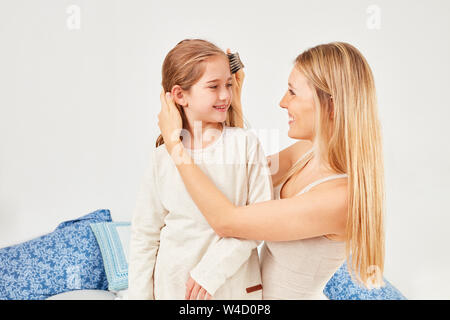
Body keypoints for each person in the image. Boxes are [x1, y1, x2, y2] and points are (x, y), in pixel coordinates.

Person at [158, 42, 386, 299]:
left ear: (331, 105)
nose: (282, 102)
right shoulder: (306, 152)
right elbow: (239, 180)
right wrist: (231, 104)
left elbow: (227, 221)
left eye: (292, 92)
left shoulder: (340, 198)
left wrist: (174, 145)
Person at [128, 39, 273, 300]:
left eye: (229, 84)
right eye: (213, 87)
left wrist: (210, 272)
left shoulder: (245, 144)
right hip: (174, 291)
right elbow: (145, 237)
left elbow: (258, 224)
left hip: (234, 290)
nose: (225, 95)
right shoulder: (163, 158)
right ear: (180, 95)